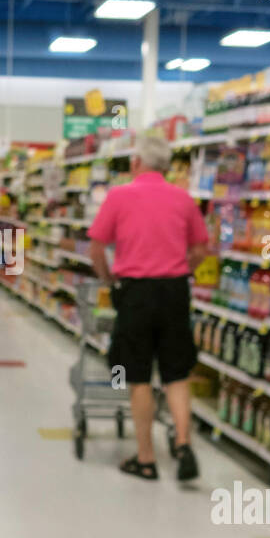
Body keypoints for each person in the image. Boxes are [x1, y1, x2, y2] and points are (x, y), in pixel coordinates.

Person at [88, 133, 211, 483]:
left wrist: (109, 279)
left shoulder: (119, 196)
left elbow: (96, 249)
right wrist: (183, 267)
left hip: (135, 293)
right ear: (168, 166)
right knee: (176, 373)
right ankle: (184, 443)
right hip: (174, 292)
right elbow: (202, 249)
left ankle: (146, 458)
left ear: (136, 163)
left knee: (138, 376)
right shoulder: (184, 199)